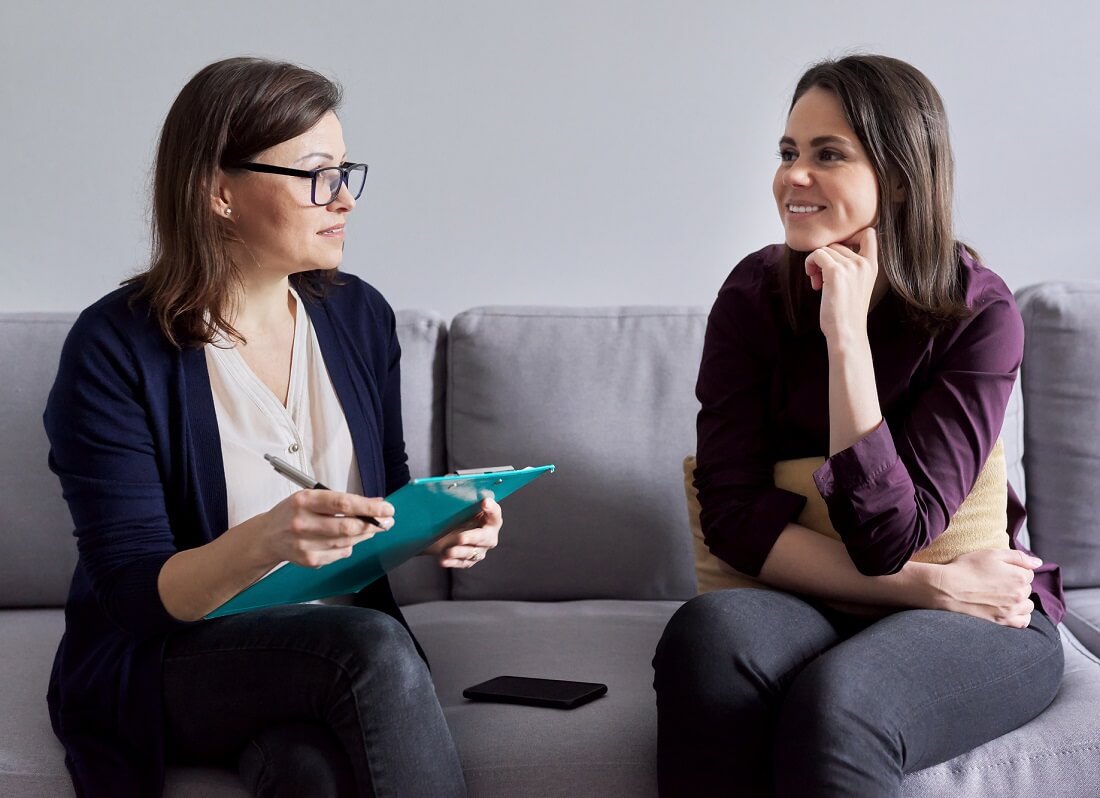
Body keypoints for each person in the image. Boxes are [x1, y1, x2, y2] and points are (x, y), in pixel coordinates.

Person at [43, 57, 500, 798]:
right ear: (219, 192)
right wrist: (265, 540)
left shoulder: (359, 316)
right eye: (318, 174)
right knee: (369, 647)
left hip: (319, 652)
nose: (345, 200)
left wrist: (437, 523)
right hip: (176, 654)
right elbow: (133, 595)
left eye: (347, 172)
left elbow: (384, 488)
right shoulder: (113, 348)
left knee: (307, 773)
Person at [653, 54, 1066, 797]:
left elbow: (888, 537)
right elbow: (735, 519)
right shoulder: (751, 297)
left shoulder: (980, 313)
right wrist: (931, 589)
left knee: (841, 704)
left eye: (828, 155)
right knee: (704, 641)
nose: (792, 177)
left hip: (986, 623)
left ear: (901, 178)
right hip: (844, 601)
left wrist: (845, 333)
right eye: (788, 153)